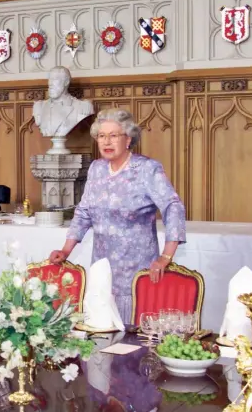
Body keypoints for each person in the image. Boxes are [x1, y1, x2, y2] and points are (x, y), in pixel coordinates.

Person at [49, 108, 186, 323]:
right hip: (102, 270)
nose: (106, 142)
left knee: (130, 343)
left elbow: (173, 206)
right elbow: (84, 211)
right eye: (102, 136)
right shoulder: (96, 168)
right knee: (100, 333)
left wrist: (166, 256)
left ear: (128, 139)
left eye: (113, 135)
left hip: (136, 272)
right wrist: (66, 249)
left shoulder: (146, 169)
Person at [33, 66, 94, 137]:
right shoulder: (39, 107)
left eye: (55, 79)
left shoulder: (82, 106)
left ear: (66, 82)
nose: (50, 83)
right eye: (49, 79)